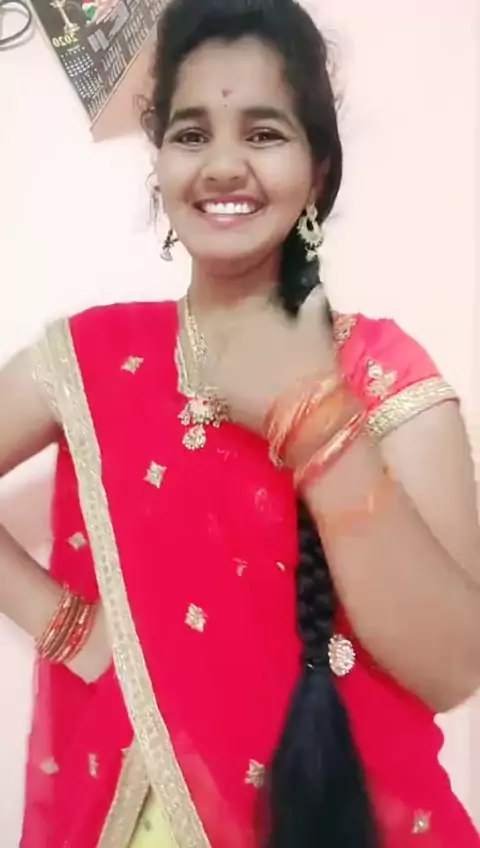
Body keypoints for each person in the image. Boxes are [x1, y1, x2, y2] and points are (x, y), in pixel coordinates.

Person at [1, 0, 480, 845]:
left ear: (318, 169)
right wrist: (69, 627)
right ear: (159, 165)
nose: (224, 165)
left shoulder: (384, 373)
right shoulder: (94, 356)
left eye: (263, 133)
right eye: (191, 135)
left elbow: (452, 668)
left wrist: (317, 420)